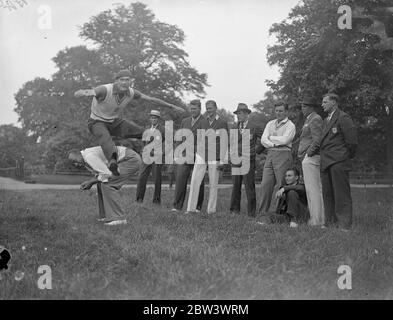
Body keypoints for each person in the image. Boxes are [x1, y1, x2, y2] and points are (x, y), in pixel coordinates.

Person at [74, 69, 184, 176]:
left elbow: (151, 99)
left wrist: (172, 106)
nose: (124, 83)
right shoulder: (105, 90)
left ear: (131, 81)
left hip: (114, 122)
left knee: (144, 132)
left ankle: (170, 138)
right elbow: (92, 91)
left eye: (127, 80)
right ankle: (113, 162)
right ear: (116, 81)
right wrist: (83, 92)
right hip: (96, 122)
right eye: (122, 80)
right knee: (105, 136)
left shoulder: (131, 93)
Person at [68, 145, 141, 225]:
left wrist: (91, 182)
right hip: (125, 159)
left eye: (75, 160)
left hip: (130, 159)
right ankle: (107, 216)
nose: (76, 164)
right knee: (101, 183)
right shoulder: (85, 160)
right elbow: (100, 173)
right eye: (73, 163)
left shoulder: (89, 156)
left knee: (108, 184)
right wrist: (92, 181)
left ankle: (119, 218)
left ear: (79, 154)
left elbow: (106, 174)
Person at [320, 93, 357, 231]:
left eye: (325, 102)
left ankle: (344, 225)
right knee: (327, 193)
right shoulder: (326, 120)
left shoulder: (343, 117)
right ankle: (329, 222)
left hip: (338, 161)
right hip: (325, 161)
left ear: (334, 102)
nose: (322, 105)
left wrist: (344, 156)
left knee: (341, 194)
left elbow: (352, 142)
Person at [186, 100, 229, 214]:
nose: (208, 110)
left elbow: (224, 142)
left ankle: (211, 210)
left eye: (210, 108)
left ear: (215, 108)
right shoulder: (203, 122)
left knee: (213, 184)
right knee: (195, 180)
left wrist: (222, 160)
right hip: (201, 154)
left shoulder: (222, 123)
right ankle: (190, 209)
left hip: (215, 156)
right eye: (207, 108)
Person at [258, 102, 296, 216]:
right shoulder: (270, 123)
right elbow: (263, 140)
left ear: (286, 112)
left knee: (281, 184)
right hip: (270, 154)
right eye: (277, 111)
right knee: (265, 184)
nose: (278, 113)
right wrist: (274, 143)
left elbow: (285, 140)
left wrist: (270, 138)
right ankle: (262, 212)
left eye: (281, 111)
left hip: (284, 154)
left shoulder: (290, 125)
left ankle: (280, 213)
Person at [171, 99, 208, 212]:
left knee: (198, 181)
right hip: (184, 154)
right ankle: (177, 206)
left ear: (200, 109)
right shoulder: (185, 121)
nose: (192, 111)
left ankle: (197, 207)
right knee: (180, 179)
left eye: (195, 109)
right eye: (191, 108)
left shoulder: (205, 121)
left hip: (199, 155)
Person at [229, 103, 263, 217]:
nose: (239, 115)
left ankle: (251, 212)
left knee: (249, 186)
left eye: (242, 113)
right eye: (238, 113)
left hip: (249, 159)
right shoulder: (234, 127)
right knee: (236, 185)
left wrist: (256, 150)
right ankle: (234, 210)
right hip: (236, 160)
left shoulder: (255, 126)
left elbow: (264, 139)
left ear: (247, 114)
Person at [298, 96, 325, 226]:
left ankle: (317, 220)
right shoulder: (309, 119)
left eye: (304, 106)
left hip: (312, 158)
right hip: (308, 157)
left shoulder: (315, 119)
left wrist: (308, 154)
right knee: (312, 189)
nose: (302, 109)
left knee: (313, 189)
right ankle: (317, 218)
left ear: (311, 107)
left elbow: (317, 140)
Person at [135, 110, 165, 204]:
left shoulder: (163, 129)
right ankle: (139, 199)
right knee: (141, 177)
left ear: (158, 119)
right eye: (152, 117)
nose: (153, 119)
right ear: (150, 118)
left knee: (157, 179)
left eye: (155, 118)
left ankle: (156, 201)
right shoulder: (147, 129)